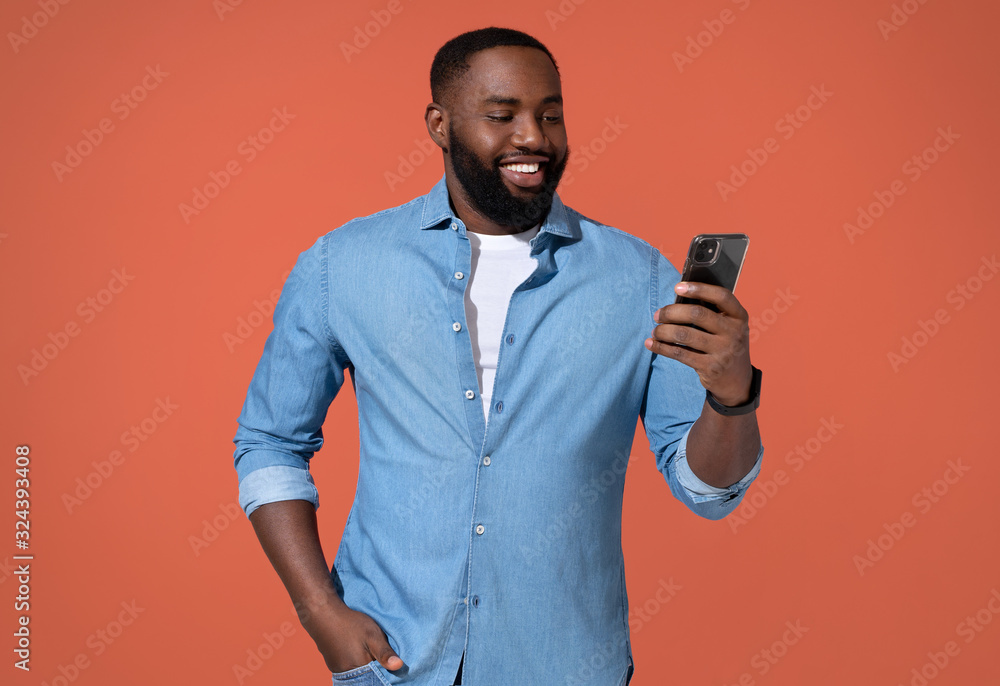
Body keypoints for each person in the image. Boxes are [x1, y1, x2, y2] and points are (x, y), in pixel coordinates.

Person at [232, 26, 764, 686]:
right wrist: (321, 613)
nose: (533, 136)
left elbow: (707, 491)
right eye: (502, 114)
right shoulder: (342, 265)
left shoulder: (641, 280)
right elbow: (269, 442)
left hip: (566, 666)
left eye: (550, 115)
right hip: (394, 662)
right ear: (440, 124)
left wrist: (731, 395)